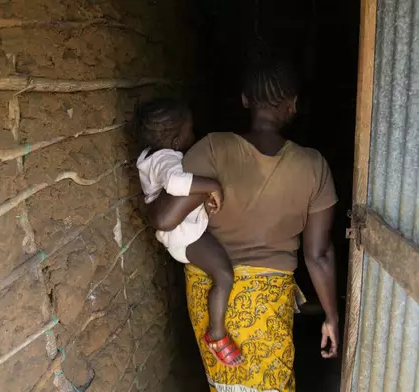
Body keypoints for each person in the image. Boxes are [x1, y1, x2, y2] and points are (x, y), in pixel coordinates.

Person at [146, 53, 338, 391]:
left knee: (225, 384)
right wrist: (331, 317)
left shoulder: (212, 148)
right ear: (293, 104)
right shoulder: (314, 166)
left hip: (209, 292)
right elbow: (318, 255)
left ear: (245, 100)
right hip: (267, 302)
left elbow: (164, 217)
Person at [134, 98, 243, 366]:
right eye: (189, 132)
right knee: (224, 275)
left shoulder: (151, 157)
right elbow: (176, 182)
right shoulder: (167, 159)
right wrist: (212, 185)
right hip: (186, 237)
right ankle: (217, 335)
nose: (193, 136)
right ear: (174, 141)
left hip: (183, 234)